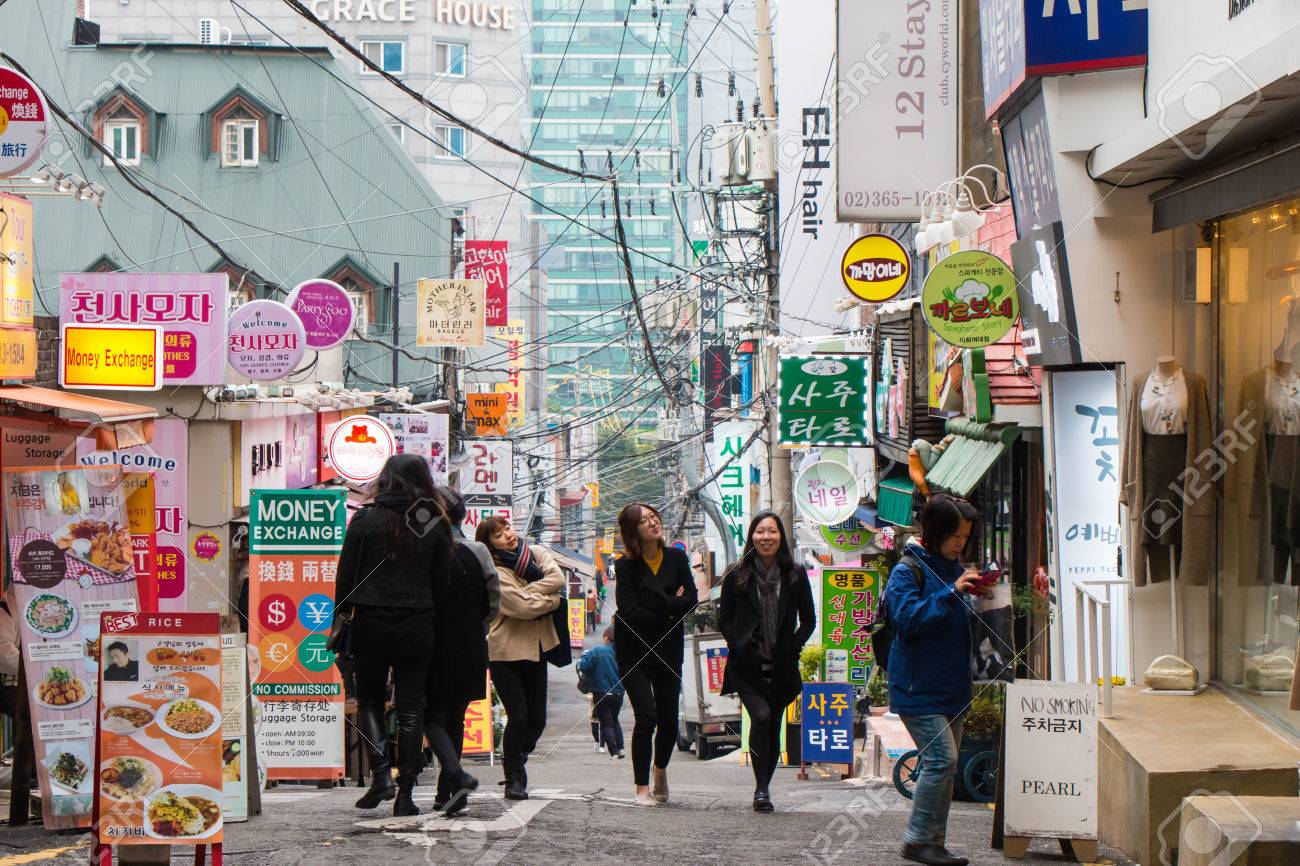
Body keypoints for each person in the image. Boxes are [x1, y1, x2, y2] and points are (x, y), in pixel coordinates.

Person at [335, 453, 451, 817]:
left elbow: (346, 577)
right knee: (411, 708)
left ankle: (381, 775)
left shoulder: (366, 518)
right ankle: (405, 795)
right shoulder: (431, 519)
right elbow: (441, 581)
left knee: (369, 701)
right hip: (416, 622)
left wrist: (343, 616)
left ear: (385, 480)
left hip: (370, 622)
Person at [886, 494, 986, 866]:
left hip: (952, 685)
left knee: (944, 769)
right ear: (934, 531)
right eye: (955, 535)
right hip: (917, 687)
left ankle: (934, 843)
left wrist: (981, 595)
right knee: (942, 760)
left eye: (965, 536)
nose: (961, 542)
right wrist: (952, 592)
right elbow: (908, 619)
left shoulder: (952, 567)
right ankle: (916, 840)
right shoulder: (907, 571)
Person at [718, 511, 815, 812]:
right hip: (747, 666)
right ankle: (761, 790)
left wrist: (794, 648)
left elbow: (809, 621)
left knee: (772, 725)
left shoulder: (795, 575)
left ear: (781, 537)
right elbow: (726, 619)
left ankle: (764, 786)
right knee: (760, 716)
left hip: (782, 666)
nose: (766, 537)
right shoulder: (737, 575)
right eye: (760, 531)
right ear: (752, 537)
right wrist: (737, 646)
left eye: (772, 531)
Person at [423, 485, 500, 817]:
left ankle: (455, 779)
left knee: (431, 716)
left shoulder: (424, 548)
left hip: (431, 644)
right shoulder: (479, 550)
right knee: (455, 716)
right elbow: (493, 601)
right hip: (470, 645)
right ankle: (450, 792)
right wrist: (476, 627)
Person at [612, 503, 695, 806]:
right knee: (646, 716)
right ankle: (641, 787)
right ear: (633, 531)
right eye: (644, 521)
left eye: (654, 518)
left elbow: (692, 600)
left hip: (668, 649)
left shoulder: (676, 557)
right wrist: (671, 607)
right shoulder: (625, 565)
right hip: (634, 649)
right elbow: (629, 612)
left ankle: (660, 768)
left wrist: (668, 608)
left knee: (670, 721)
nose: (652, 523)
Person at [477, 516, 565, 801]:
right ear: (489, 544)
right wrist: (551, 600)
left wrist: (527, 591)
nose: (507, 535)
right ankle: (514, 776)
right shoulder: (495, 570)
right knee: (519, 716)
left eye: (507, 529)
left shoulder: (537, 553)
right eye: (498, 535)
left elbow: (558, 578)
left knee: (537, 720)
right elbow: (522, 607)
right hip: (504, 652)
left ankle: (517, 758)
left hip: (536, 649)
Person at [577, 626, 625, 759]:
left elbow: (584, 666)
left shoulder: (597, 650)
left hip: (601, 692)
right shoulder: (623, 652)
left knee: (606, 723)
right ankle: (621, 748)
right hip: (619, 693)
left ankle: (614, 752)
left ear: (606, 637)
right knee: (614, 719)